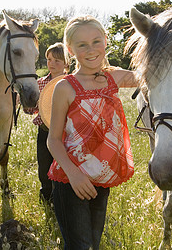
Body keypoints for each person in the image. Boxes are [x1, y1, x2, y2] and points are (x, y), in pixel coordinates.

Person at [45, 15, 137, 249]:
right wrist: (74, 175)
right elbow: (53, 140)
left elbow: (153, 76)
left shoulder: (113, 78)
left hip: (101, 179)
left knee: (92, 245)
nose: (91, 50)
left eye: (96, 41)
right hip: (71, 180)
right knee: (81, 246)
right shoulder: (65, 87)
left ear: (106, 41)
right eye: (82, 45)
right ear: (70, 49)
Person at [24, 42, 68, 203]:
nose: (52, 64)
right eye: (49, 59)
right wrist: (26, 103)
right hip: (44, 131)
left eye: (57, 60)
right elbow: (33, 109)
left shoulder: (72, 82)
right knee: (44, 166)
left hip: (66, 134)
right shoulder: (40, 83)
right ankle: (46, 197)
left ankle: (62, 199)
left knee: (63, 166)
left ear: (66, 63)